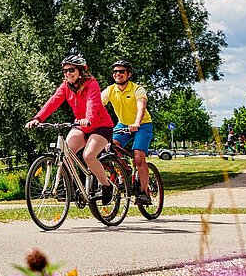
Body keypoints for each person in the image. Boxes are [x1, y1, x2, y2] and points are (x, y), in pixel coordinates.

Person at [25, 53, 116, 203]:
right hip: (80, 125)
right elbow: (53, 102)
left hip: (100, 126)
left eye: (72, 70)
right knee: (66, 153)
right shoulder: (65, 87)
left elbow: (91, 103)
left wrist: (88, 119)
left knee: (88, 156)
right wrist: (38, 118)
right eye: (65, 71)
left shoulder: (91, 84)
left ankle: (106, 186)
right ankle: (71, 188)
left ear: (81, 70)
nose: (68, 73)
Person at [101, 60, 153, 204]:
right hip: (123, 124)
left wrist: (136, 123)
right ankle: (125, 170)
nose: (118, 74)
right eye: (115, 72)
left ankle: (144, 193)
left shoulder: (137, 89)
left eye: (121, 72)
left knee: (138, 157)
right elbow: (97, 105)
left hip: (142, 124)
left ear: (128, 74)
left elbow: (141, 107)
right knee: (111, 146)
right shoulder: (110, 90)